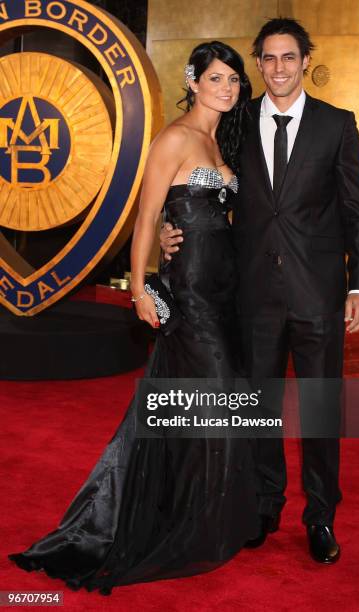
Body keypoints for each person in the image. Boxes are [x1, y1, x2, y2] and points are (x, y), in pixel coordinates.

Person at [8, 42, 262, 594]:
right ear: (193, 82)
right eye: (216, 78)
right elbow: (145, 218)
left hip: (225, 292)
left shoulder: (222, 138)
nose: (227, 87)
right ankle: (191, 524)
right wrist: (142, 287)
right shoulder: (173, 138)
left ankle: (202, 515)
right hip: (189, 293)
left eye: (234, 80)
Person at [161, 18, 359, 564]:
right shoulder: (234, 121)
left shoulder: (337, 125)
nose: (278, 68)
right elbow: (203, 184)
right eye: (268, 59)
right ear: (257, 63)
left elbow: (358, 214)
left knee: (321, 409)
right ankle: (264, 504)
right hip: (251, 293)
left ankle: (321, 516)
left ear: (306, 60)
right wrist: (173, 227)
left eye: (289, 57)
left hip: (318, 294)